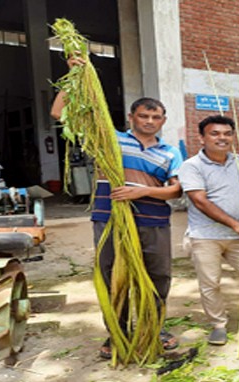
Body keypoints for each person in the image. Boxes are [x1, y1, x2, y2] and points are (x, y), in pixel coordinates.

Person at [51, 57, 183, 359]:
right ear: (131, 117)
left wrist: (143, 191)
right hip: (110, 219)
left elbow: (176, 189)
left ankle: (155, 328)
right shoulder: (109, 139)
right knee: (113, 276)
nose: (149, 121)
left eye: (156, 117)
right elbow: (59, 113)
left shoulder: (170, 152)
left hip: (154, 222)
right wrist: (75, 75)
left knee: (157, 276)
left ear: (162, 121)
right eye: (144, 115)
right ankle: (117, 333)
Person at [178, 115, 239, 345]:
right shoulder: (191, 166)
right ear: (202, 137)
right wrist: (237, 224)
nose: (222, 138)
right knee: (211, 283)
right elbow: (201, 202)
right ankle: (218, 325)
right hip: (205, 235)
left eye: (227, 133)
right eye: (215, 133)